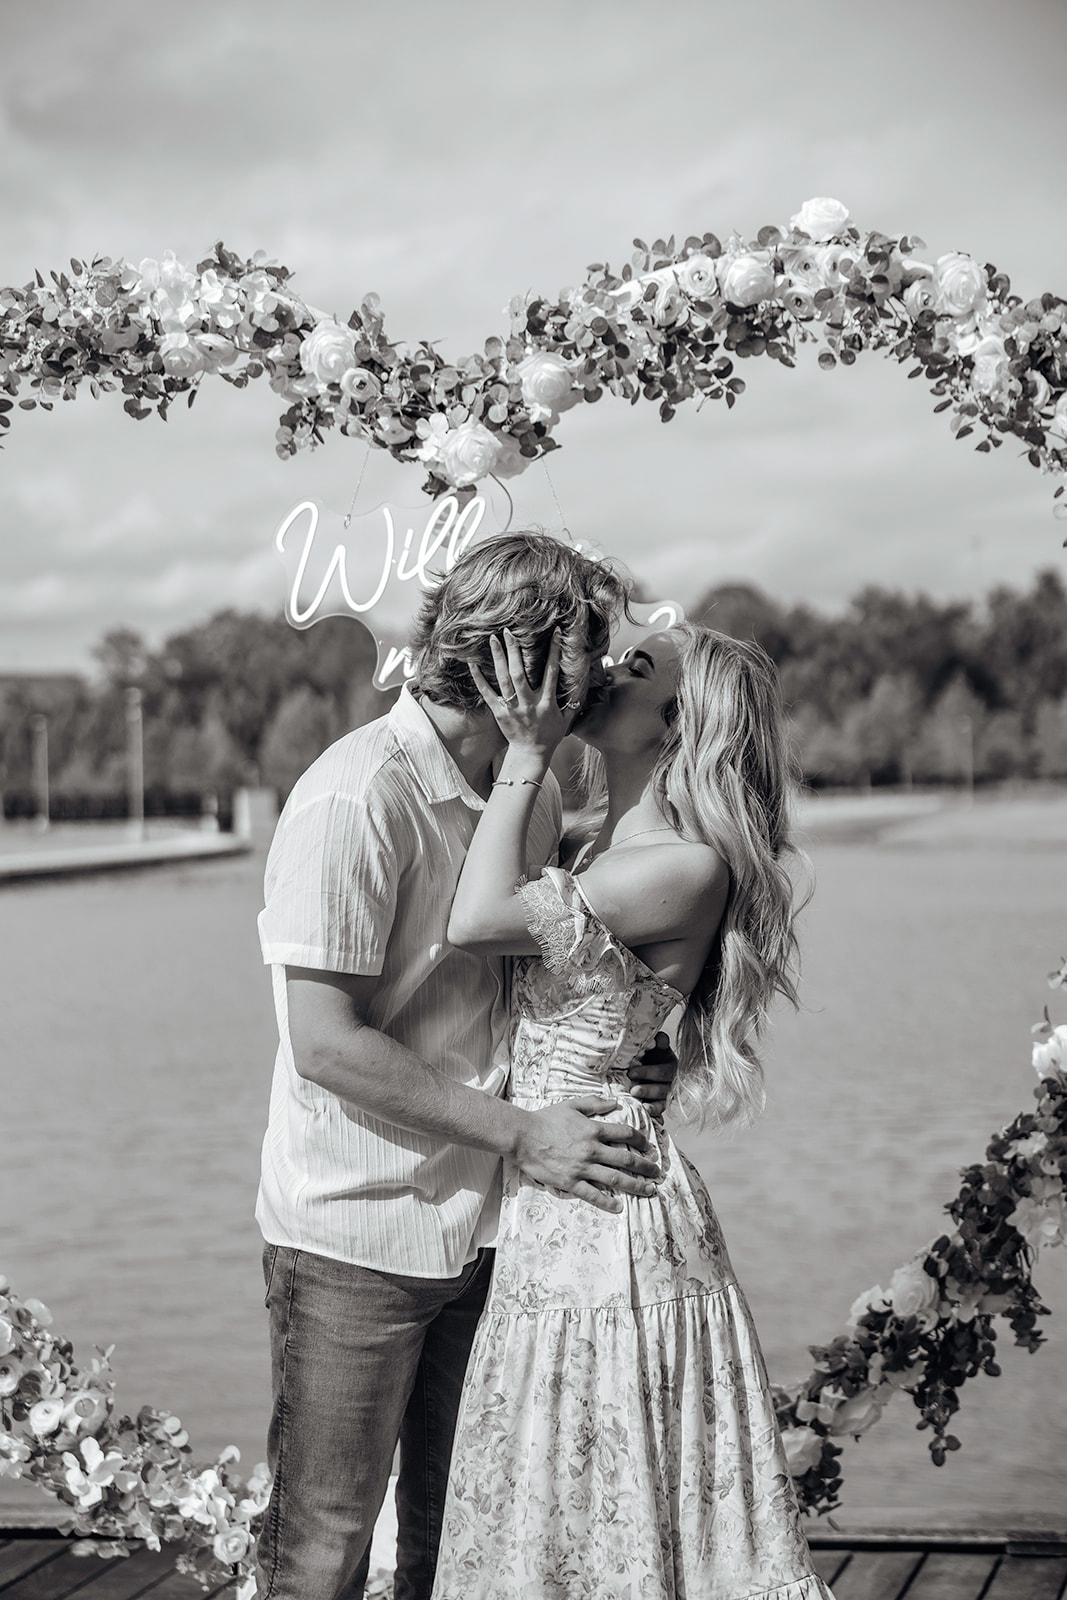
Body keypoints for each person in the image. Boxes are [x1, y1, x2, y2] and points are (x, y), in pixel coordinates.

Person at [254, 533, 677, 1600]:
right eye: (586, 648)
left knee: (462, 1540)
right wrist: (529, 1134)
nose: (602, 669)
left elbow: (530, 981)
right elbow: (324, 1042)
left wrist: (631, 1052)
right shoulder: (354, 797)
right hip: (358, 1232)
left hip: (498, 1231)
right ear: (525, 662)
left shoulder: (525, 789)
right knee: (323, 1546)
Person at [433, 623, 835, 1599]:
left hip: (611, 1218)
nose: (604, 669)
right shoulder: (590, 837)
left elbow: (474, 921)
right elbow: (600, 995)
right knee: (548, 1497)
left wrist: (527, 750)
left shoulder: (681, 863)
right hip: (554, 1196)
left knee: (604, 1494)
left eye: (633, 666)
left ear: (675, 722)